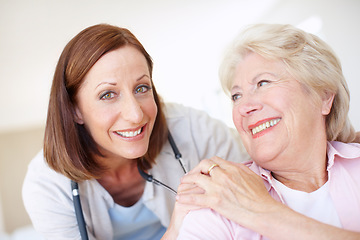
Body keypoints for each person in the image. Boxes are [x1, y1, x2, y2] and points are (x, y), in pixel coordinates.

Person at [22, 23, 249, 240]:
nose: (136, 115)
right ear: (74, 110)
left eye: (141, 88)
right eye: (108, 94)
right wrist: (175, 231)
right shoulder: (46, 185)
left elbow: (256, 192)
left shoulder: (194, 129)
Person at [176, 23, 360, 239]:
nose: (244, 107)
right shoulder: (217, 203)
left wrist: (265, 213)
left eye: (263, 83)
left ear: (324, 97)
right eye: (236, 96)